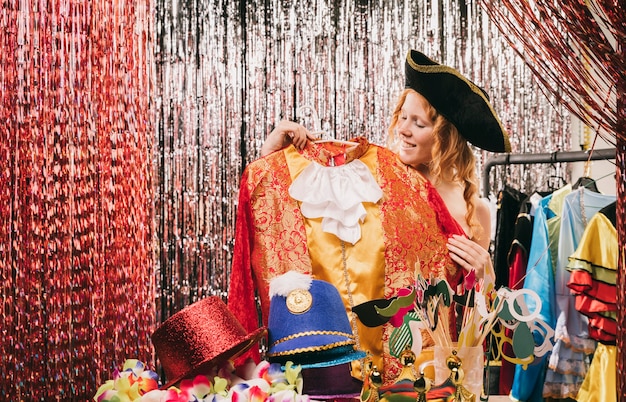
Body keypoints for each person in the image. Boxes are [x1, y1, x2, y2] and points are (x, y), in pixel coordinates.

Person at [260, 49, 511, 284]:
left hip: (442, 331)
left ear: (447, 138)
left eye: (418, 124)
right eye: (402, 117)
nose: (402, 129)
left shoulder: (475, 211)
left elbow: (477, 311)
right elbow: (302, 226)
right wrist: (270, 157)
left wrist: (485, 274)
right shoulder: (370, 180)